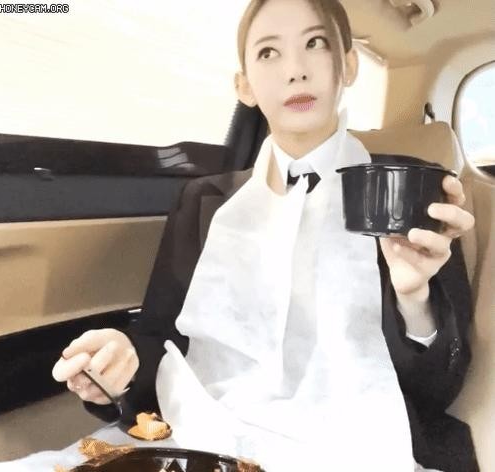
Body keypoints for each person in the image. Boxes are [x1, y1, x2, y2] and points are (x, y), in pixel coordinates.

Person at [52, 0, 478, 470]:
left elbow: (437, 392)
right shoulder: (204, 201)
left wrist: (415, 303)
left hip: (363, 447)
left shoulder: (409, 188)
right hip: (207, 437)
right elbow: (163, 338)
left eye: (315, 43)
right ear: (245, 86)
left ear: (349, 65)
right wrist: (124, 362)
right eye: (269, 53)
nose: (295, 70)